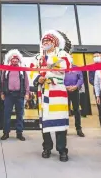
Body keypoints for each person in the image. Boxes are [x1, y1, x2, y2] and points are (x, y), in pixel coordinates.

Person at [33, 30, 73, 162]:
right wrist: (39, 78)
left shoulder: (62, 54)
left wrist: (47, 68)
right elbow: (33, 73)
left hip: (57, 90)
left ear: (54, 43)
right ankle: (47, 148)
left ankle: (62, 150)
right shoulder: (38, 57)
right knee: (45, 123)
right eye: (43, 41)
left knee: (59, 121)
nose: (45, 43)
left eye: (48, 41)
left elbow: (65, 65)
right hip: (43, 91)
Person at [1, 49, 29, 141]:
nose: (14, 61)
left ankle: (19, 133)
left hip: (19, 95)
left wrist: (27, 93)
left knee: (19, 114)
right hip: (8, 95)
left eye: (16, 59)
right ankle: (6, 133)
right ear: (10, 60)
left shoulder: (22, 70)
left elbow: (26, 82)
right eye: (13, 59)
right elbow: (2, 82)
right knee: (6, 114)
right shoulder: (6, 70)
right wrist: (2, 93)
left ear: (18, 60)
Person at [65, 65, 85, 137]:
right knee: (65, 110)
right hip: (64, 91)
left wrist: (76, 86)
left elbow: (81, 78)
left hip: (75, 90)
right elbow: (59, 79)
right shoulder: (63, 67)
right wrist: (65, 87)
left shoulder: (77, 67)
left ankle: (78, 129)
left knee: (76, 110)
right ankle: (64, 129)